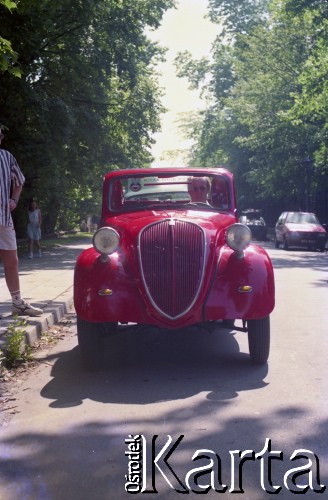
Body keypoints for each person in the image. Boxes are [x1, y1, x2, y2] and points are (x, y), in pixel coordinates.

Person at [0, 127, 42, 317]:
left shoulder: (7, 157)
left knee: (12, 261)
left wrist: (15, 199)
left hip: (3, 217)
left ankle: (17, 303)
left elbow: (19, 180)